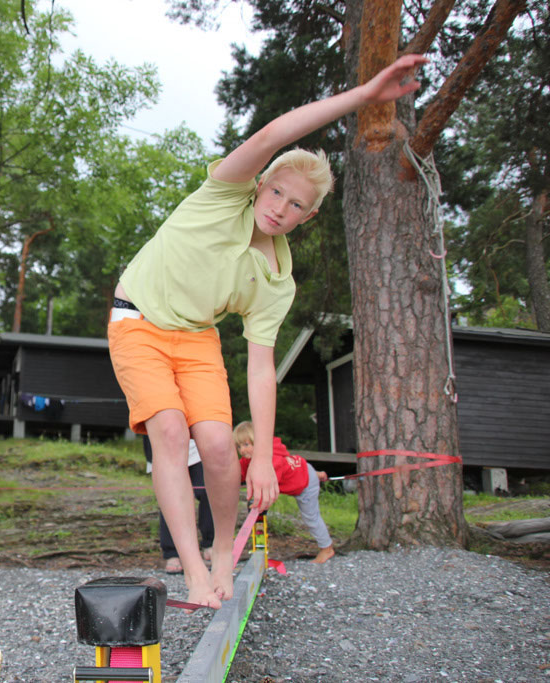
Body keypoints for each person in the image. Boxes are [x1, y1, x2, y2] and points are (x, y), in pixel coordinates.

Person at [107, 53, 428, 609]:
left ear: (308, 216)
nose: (280, 208)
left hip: (197, 337)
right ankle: (192, 569)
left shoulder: (277, 281)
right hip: (137, 321)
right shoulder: (223, 195)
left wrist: (260, 458)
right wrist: (363, 96)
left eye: (296, 204)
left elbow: (261, 369)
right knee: (170, 431)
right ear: (260, 185)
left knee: (217, 445)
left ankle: (222, 552)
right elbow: (274, 133)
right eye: (277, 192)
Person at [233, 421, 334, 563]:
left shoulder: (272, 461)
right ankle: (317, 474)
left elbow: (269, 488)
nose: (242, 450)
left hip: (305, 484)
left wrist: (258, 502)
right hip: (301, 468)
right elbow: (238, 473)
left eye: (246, 444)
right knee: (298, 472)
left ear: (259, 442)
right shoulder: (248, 460)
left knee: (311, 517)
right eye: (239, 446)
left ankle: (327, 548)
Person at [142, 436, 213, 573]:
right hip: (164, 447)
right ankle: (172, 553)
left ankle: (210, 543)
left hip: (196, 444)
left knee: (206, 490)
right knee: (170, 499)